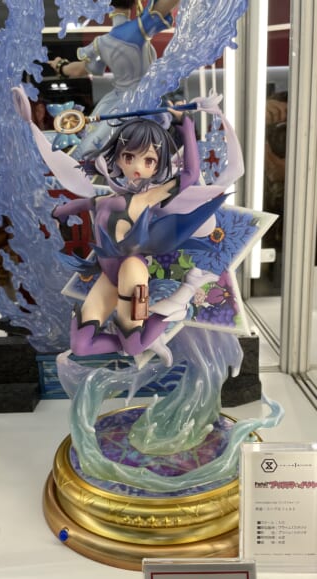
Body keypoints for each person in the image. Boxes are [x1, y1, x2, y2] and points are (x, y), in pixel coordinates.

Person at [52, 95, 243, 365]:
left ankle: (182, 297)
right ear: (118, 157)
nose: (137, 167)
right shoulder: (106, 199)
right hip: (108, 275)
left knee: (133, 346)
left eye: (149, 161)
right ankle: (136, 335)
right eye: (129, 157)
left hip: (131, 269)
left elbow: (189, 174)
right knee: (81, 345)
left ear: (157, 165)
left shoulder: (149, 197)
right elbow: (85, 203)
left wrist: (185, 125)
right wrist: (60, 212)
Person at [49, 0, 179, 158]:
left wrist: (60, 66)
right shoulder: (138, 29)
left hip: (115, 104)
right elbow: (164, 6)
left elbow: (77, 70)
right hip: (141, 104)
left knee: (101, 151)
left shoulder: (101, 42)